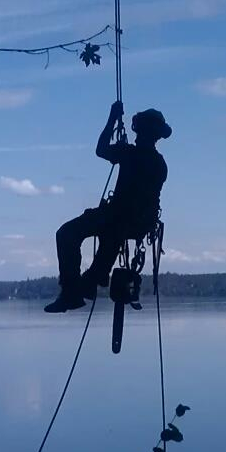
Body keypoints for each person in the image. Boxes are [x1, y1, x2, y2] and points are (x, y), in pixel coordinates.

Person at [45, 100, 169, 313]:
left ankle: (77, 288)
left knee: (68, 234)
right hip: (132, 221)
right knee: (104, 236)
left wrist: (112, 117)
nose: (137, 135)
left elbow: (101, 150)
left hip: (123, 218)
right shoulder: (157, 162)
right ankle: (88, 282)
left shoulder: (132, 154)